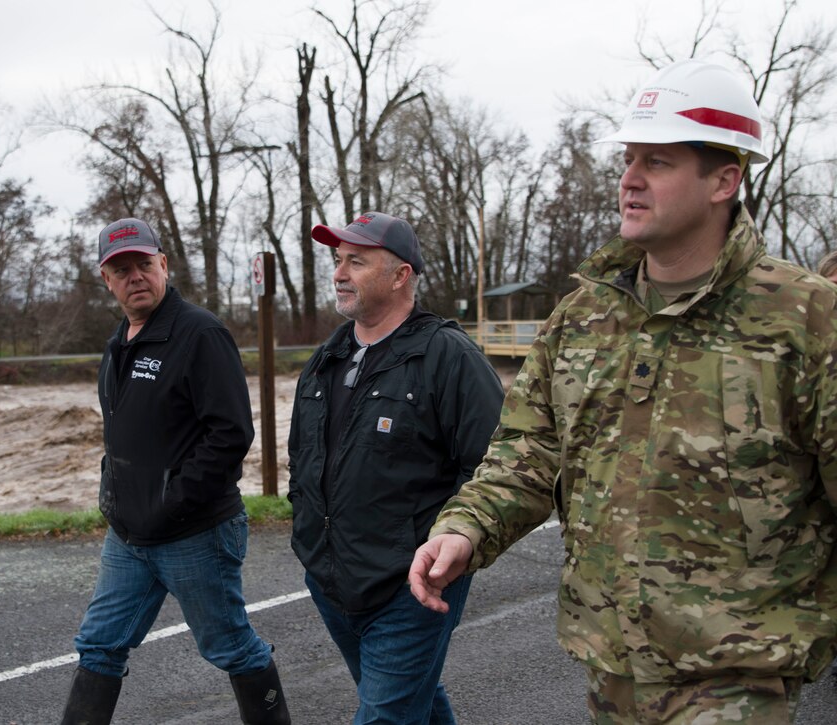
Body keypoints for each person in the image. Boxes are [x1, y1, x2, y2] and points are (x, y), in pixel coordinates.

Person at [409, 58, 837, 723]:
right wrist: (468, 525)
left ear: (725, 178)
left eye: (658, 162)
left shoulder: (806, 318)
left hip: (740, 675)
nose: (629, 180)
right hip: (612, 666)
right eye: (628, 159)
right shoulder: (584, 317)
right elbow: (531, 445)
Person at [60, 217, 290, 725]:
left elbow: (231, 433)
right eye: (121, 269)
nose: (134, 276)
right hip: (129, 534)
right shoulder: (119, 340)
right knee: (99, 644)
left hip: (194, 531)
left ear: (163, 264)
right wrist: (117, 498)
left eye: (143, 264)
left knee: (229, 646)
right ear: (106, 279)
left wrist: (173, 501)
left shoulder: (200, 333)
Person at [287, 211, 504, 724]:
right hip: (331, 578)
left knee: (384, 715)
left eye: (356, 261)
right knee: (413, 702)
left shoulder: (447, 356)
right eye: (338, 261)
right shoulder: (326, 359)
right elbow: (302, 457)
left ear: (401, 275)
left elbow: (496, 465)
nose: (339, 272)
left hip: (411, 583)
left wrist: (453, 544)